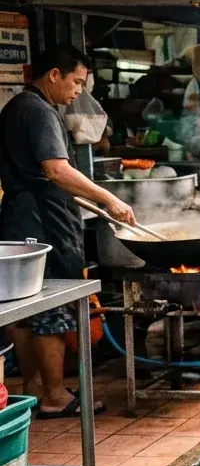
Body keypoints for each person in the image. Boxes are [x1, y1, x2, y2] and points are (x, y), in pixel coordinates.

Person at [0, 45, 132, 418]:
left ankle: (35, 389)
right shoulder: (39, 110)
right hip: (45, 223)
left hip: (20, 222)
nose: (78, 92)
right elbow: (56, 170)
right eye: (75, 82)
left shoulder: (16, 107)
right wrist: (109, 200)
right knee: (53, 310)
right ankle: (56, 396)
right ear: (53, 75)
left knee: (25, 312)